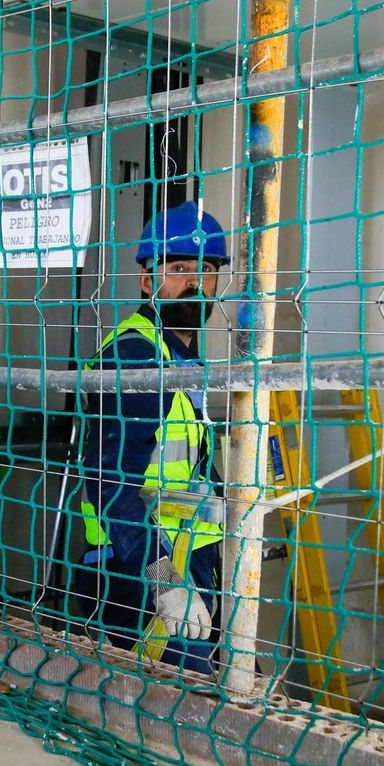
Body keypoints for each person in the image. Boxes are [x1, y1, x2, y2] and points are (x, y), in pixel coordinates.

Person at [74, 201, 229, 674]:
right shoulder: (137, 356)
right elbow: (108, 481)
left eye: (205, 270)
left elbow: (185, 463)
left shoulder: (182, 361)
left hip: (186, 561)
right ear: (147, 280)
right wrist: (166, 583)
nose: (194, 282)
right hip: (137, 571)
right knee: (177, 710)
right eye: (178, 268)